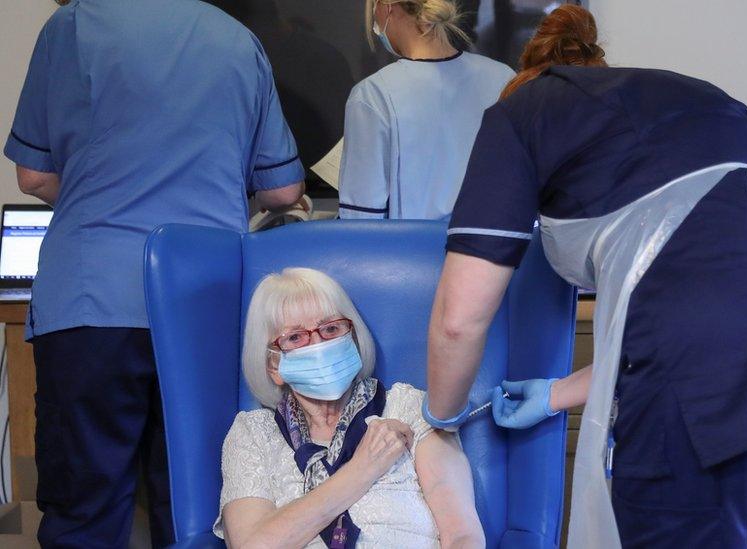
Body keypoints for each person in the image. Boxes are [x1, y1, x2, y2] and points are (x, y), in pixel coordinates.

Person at [422, 5, 747, 548]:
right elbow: (739, 298)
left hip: (724, 386)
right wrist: (558, 393)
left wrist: (439, 422)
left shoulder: (518, 115)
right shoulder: (700, 99)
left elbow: (460, 321)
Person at [3, 0, 305, 546]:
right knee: (199, 508)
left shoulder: (71, 27)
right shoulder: (237, 40)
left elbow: (33, 174)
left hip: (92, 296)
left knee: (84, 510)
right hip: (204, 305)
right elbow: (284, 191)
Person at [217, 268, 483, 548]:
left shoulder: (408, 407)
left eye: (331, 329)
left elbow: (462, 535)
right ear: (274, 366)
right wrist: (362, 469)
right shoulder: (253, 434)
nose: (319, 345)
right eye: (295, 338)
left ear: (353, 339)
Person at [337, 0, 514, 220]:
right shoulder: (504, 79)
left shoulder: (372, 95)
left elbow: (361, 220)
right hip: (494, 249)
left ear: (386, 8)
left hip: (409, 251)